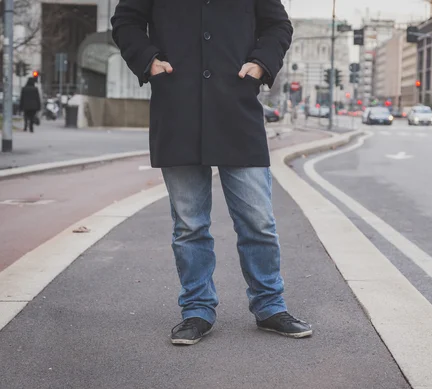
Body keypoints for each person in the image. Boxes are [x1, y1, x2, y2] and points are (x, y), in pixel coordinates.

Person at [111, 0, 312, 345]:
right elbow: (125, 21)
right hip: (178, 110)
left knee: (258, 221)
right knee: (189, 225)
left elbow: (278, 25)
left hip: (236, 109)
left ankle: (269, 306)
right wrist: (149, 61)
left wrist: (261, 64)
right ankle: (197, 310)